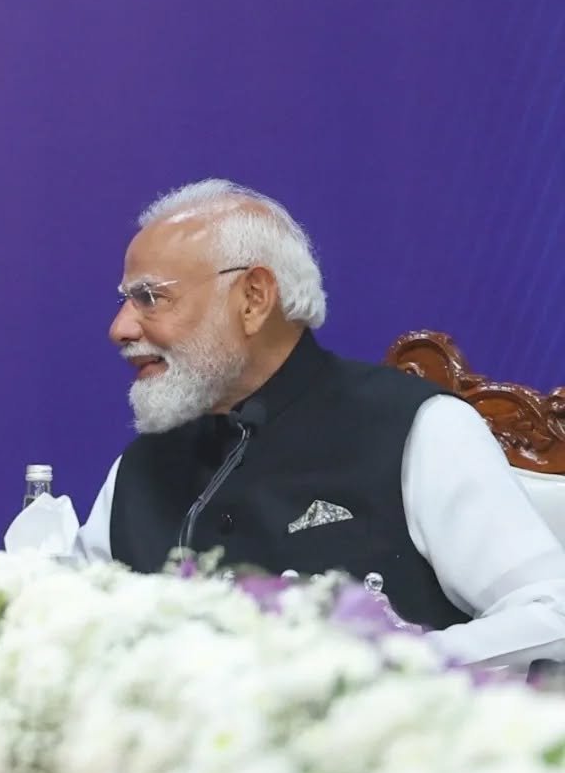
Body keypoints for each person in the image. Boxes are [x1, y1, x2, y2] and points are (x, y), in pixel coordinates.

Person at [74, 177, 565, 671]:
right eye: (126, 300)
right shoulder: (140, 466)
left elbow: (550, 610)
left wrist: (387, 668)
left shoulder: (416, 429)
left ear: (253, 298)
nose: (121, 328)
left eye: (149, 297)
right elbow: (72, 623)